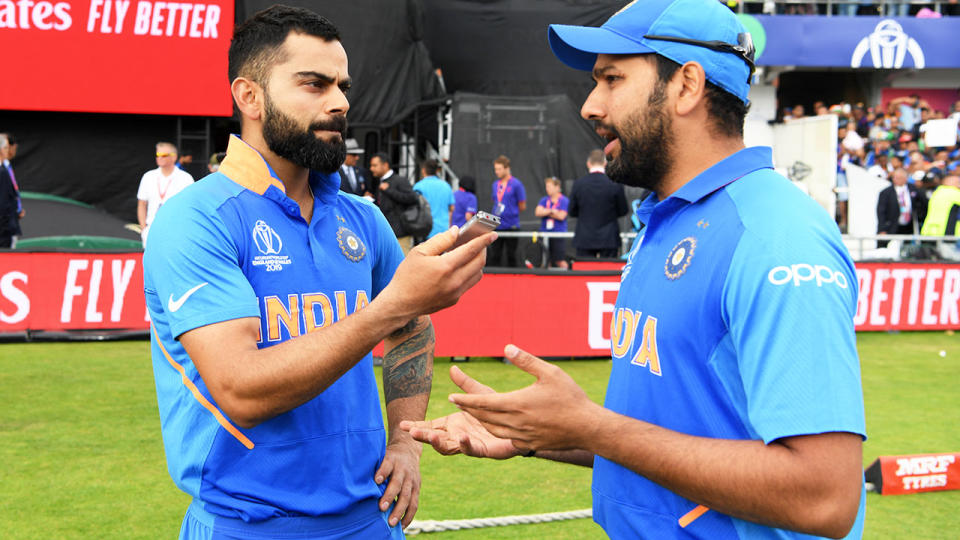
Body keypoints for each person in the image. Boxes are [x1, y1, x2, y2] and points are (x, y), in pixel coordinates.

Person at [402, 1, 866, 539]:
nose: (590, 106)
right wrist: (540, 432)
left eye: (612, 78)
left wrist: (590, 424)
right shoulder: (666, 220)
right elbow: (678, 436)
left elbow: (825, 496)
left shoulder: (777, 239)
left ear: (687, 86)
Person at [141, 6, 495, 539]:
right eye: (314, 84)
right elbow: (240, 391)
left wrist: (404, 441)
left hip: (372, 520)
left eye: (343, 86)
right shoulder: (195, 220)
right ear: (249, 96)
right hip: (247, 525)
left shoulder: (362, 217)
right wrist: (393, 306)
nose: (340, 102)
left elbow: (412, 329)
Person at [569, 149, 629, 258]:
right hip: (609, 238)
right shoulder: (614, 184)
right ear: (605, 163)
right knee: (608, 273)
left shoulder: (579, 184)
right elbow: (623, 210)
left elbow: (572, 211)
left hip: (584, 237)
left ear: (588, 164)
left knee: (584, 273)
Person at [136, 142, 194, 248]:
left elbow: (191, 207)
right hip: (151, 230)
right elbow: (141, 204)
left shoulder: (185, 178)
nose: (160, 158)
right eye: (158, 155)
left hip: (176, 231)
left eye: (164, 155)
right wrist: (144, 229)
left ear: (174, 157)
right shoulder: (148, 177)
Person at [371, 151, 418, 254]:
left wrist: (389, 190)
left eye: (375, 165)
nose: (372, 169)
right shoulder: (380, 182)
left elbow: (412, 198)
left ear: (385, 165)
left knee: (402, 265)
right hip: (385, 233)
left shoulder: (399, 180)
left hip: (400, 234)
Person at [488, 155, 526, 267]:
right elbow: (495, 201)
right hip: (497, 225)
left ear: (507, 168)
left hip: (511, 225)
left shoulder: (516, 184)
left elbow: (522, 205)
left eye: (499, 169)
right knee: (495, 255)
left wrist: (511, 212)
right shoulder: (495, 185)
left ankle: (513, 281)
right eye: (495, 169)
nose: (496, 172)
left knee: (511, 255)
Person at [877, 167, 925, 247]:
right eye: (894, 177)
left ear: (905, 178)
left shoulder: (913, 189)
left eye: (899, 178)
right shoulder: (886, 192)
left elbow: (923, 204)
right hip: (892, 226)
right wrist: (882, 229)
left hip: (909, 227)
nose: (896, 180)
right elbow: (881, 212)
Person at [413, 159, 455, 239]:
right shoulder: (446, 186)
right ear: (437, 171)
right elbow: (452, 208)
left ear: (423, 170)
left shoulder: (418, 186)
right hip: (443, 230)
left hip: (424, 230)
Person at [534, 176, 569, 268]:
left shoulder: (564, 200)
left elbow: (561, 216)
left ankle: (569, 277)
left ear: (557, 187)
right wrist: (552, 211)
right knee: (545, 261)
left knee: (559, 261)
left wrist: (545, 212)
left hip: (558, 234)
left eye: (549, 186)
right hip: (545, 234)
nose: (547, 189)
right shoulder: (544, 200)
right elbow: (537, 212)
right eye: (546, 186)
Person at [0, 133, 24, 248]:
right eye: (5, 148)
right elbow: (3, 202)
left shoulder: (6, 167)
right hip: (4, 229)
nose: (8, 151)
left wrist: (18, 208)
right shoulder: (2, 171)